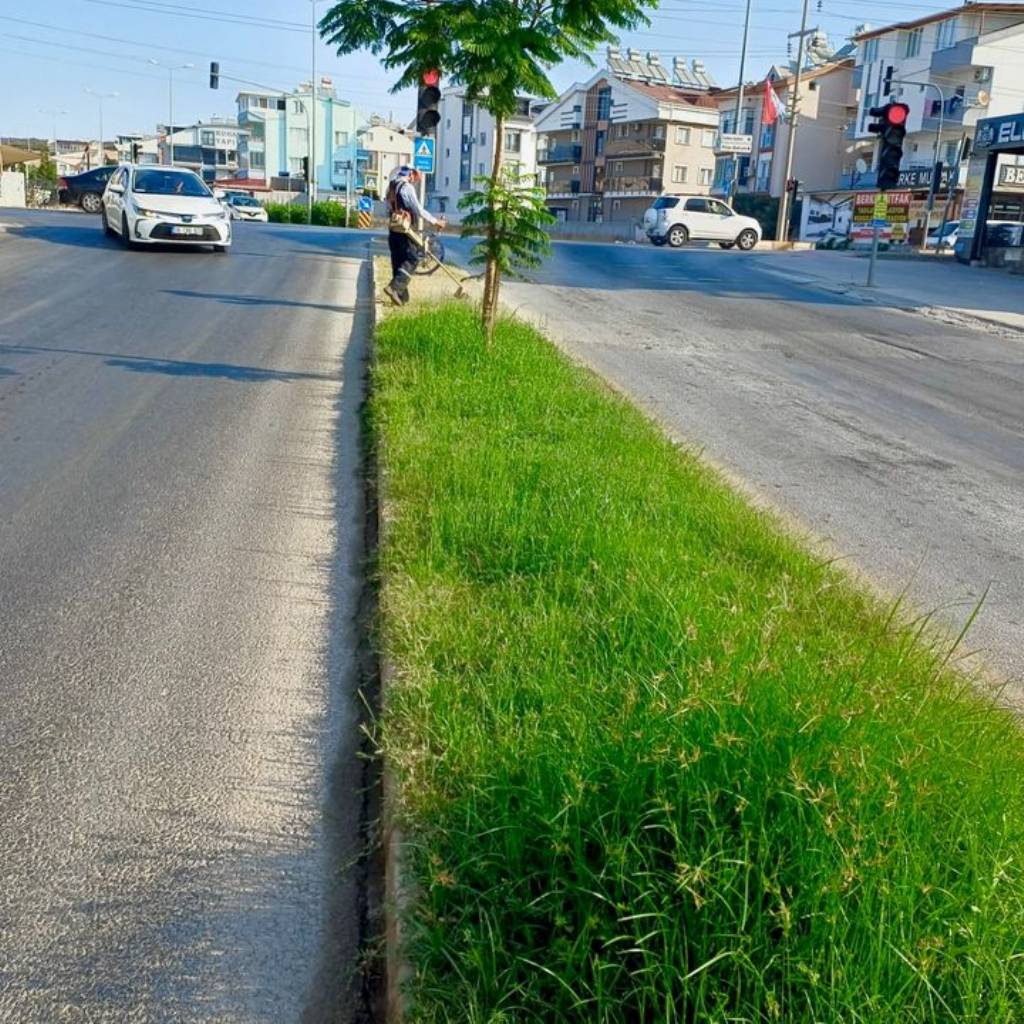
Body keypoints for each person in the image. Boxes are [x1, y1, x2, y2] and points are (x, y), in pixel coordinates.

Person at [384, 166, 445, 306]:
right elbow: (418, 210)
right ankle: (394, 288)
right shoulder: (406, 187)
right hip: (405, 230)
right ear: (410, 173)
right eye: (416, 176)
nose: (416, 179)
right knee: (412, 259)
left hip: (393, 230)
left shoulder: (391, 187)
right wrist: (436, 221)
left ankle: (400, 298)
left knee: (398, 262)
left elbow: (387, 208)